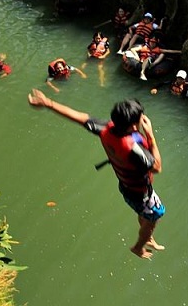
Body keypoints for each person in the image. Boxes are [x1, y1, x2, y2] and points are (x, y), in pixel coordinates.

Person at [27, 88, 166, 260]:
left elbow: (81, 118)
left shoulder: (106, 130)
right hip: (141, 193)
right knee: (154, 216)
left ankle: (147, 234)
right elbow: (157, 167)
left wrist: (48, 103)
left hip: (126, 187)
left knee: (142, 213)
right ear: (133, 126)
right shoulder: (132, 148)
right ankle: (139, 247)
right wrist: (150, 135)